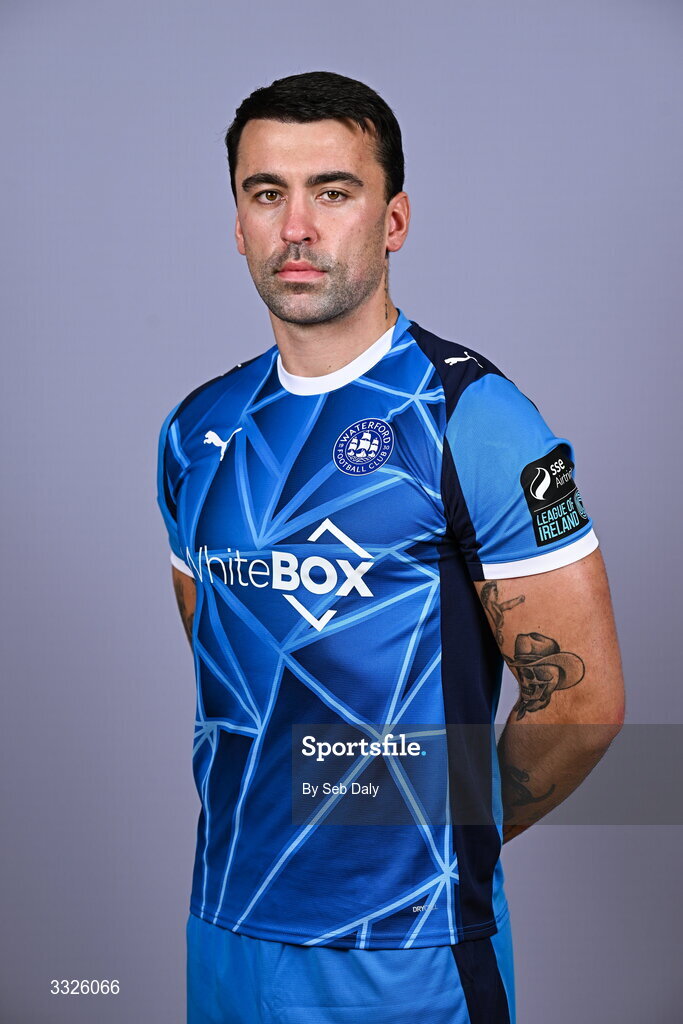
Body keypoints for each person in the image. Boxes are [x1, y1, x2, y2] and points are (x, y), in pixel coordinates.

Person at [156, 70, 625, 1024]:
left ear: (393, 220)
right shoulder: (195, 430)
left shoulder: (476, 421)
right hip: (225, 928)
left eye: (333, 192)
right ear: (237, 222)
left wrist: (438, 829)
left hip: (402, 949)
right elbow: (228, 656)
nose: (296, 227)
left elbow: (582, 704)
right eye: (265, 193)